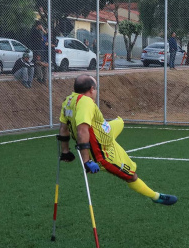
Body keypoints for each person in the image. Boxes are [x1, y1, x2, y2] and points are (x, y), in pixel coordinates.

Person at [57, 74, 178, 205]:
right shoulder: (86, 102)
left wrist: (65, 151)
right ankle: (156, 196)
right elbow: (82, 131)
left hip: (104, 134)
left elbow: (64, 129)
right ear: (91, 89)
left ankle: (111, 129)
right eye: (96, 88)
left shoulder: (68, 101)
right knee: (131, 176)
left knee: (120, 122)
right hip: (103, 151)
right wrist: (86, 161)